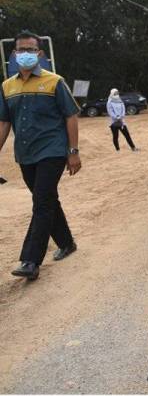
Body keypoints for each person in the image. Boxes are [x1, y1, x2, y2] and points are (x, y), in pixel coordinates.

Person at [0, 31, 81, 280]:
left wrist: (73, 151)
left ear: (40, 53)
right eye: (21, 50)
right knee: (46, 200)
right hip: (25, 154)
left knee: (41, 202)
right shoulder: (7, 86)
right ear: (13, 54)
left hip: (52, 151)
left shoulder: (55, 82)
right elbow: (4, 122)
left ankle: (30, 260)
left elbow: (70, 115)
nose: (26, 54)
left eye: (31, 50)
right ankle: (66, 242)